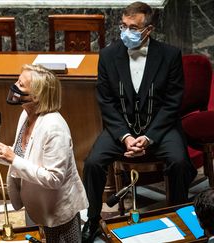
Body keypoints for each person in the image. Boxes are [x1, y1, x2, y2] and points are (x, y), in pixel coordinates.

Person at [81, 2, 197, 242]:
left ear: (149, 30)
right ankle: (93, 219)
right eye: (123, 26)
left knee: (179, 162)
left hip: (160, 127)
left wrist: (148, 136)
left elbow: (172, 103)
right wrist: (126, 136)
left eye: (133, 27)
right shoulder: (108, 54)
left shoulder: (170, 55)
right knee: (92, 163)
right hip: (121, 128)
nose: (126, 32)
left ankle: (176, 214)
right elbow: (106, 102)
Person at [0, 64, 88, 242]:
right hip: (35, 203)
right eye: (18, 80)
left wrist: (13, 159)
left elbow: (54, 178)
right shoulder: (26, 115)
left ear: (37, 96)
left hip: (56, 209)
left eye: (22, 85)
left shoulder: (54, 128)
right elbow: (19, 154)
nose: (15, 86)